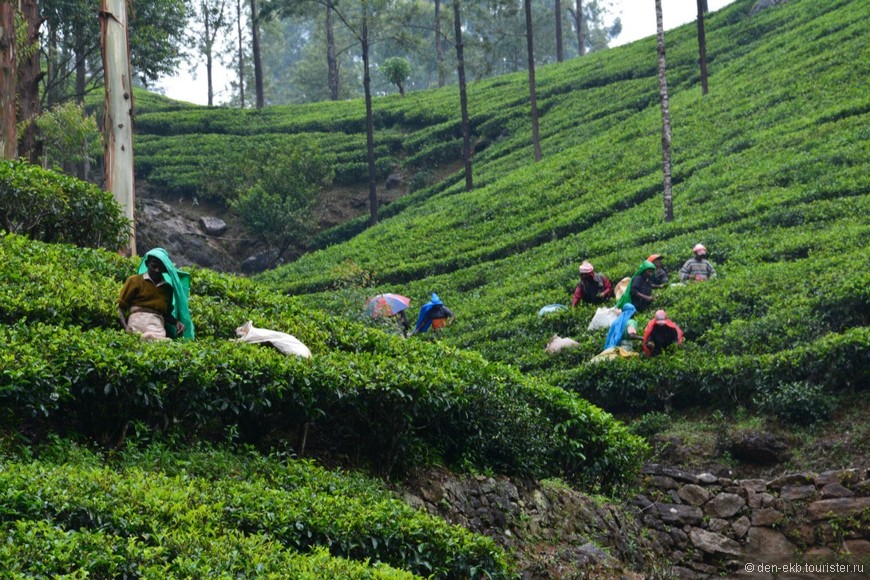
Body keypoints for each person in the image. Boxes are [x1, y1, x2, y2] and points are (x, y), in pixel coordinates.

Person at [117, 248, 194, 341]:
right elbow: (120, 307)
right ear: (147, 264)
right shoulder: (134, 281)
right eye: (153, 266)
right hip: (136, 324)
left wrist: (176, 322)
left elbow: (166, 314)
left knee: (163, 344)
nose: (157, 270)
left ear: (164, 269)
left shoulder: (167, 288)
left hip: (157, 328)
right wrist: (125, 328)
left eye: (160, 268)